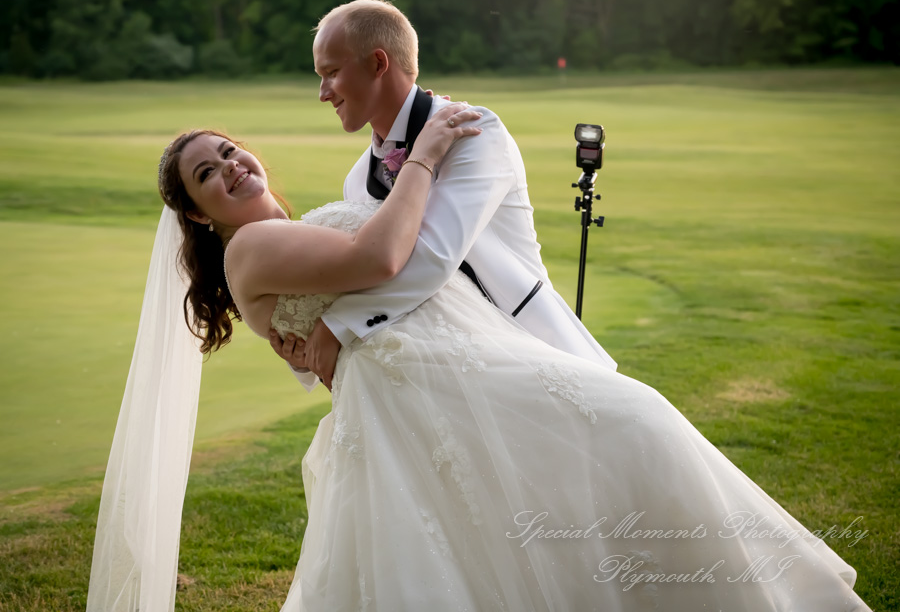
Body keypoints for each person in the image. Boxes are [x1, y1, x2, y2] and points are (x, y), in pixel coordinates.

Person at [87, 118, 871, 611]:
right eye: (207, 174)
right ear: (196, 211)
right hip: (425, 396)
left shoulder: (279, 234)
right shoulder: (251, 248)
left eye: (229, 149)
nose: (230, 166)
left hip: (443, 382)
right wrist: (425, 156)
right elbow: (383, 252)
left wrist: (335, 327)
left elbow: (326, 341)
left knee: (541, 515)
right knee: (628, 433)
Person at [268, 0, 617, 389]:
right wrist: (302, 346)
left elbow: (435, 254)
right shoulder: (357, 179)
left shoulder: (475, 131)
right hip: (440, 374)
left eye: (331, 73)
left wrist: (338, 327)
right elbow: (369, 278)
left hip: (532, 348)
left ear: (378, 64)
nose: (323, 93)